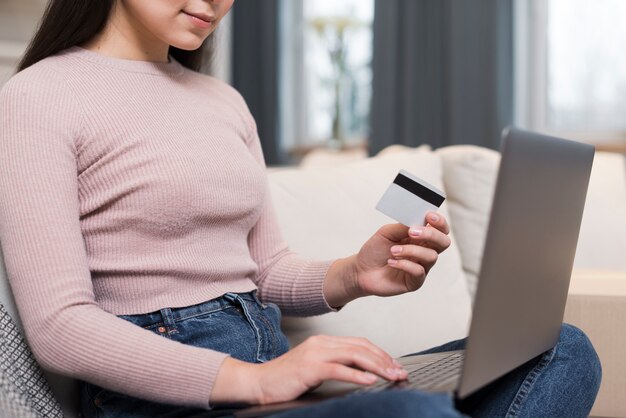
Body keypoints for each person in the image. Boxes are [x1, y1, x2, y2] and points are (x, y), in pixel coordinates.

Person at [0, 0, 601, 417]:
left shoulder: (223, 102)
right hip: (176, 400)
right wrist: (255, 381)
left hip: (276, 375)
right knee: (415, 412)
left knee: (564, 350)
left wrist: (354, 275)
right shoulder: (39, 97)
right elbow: (60, 326)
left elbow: (265, 270)